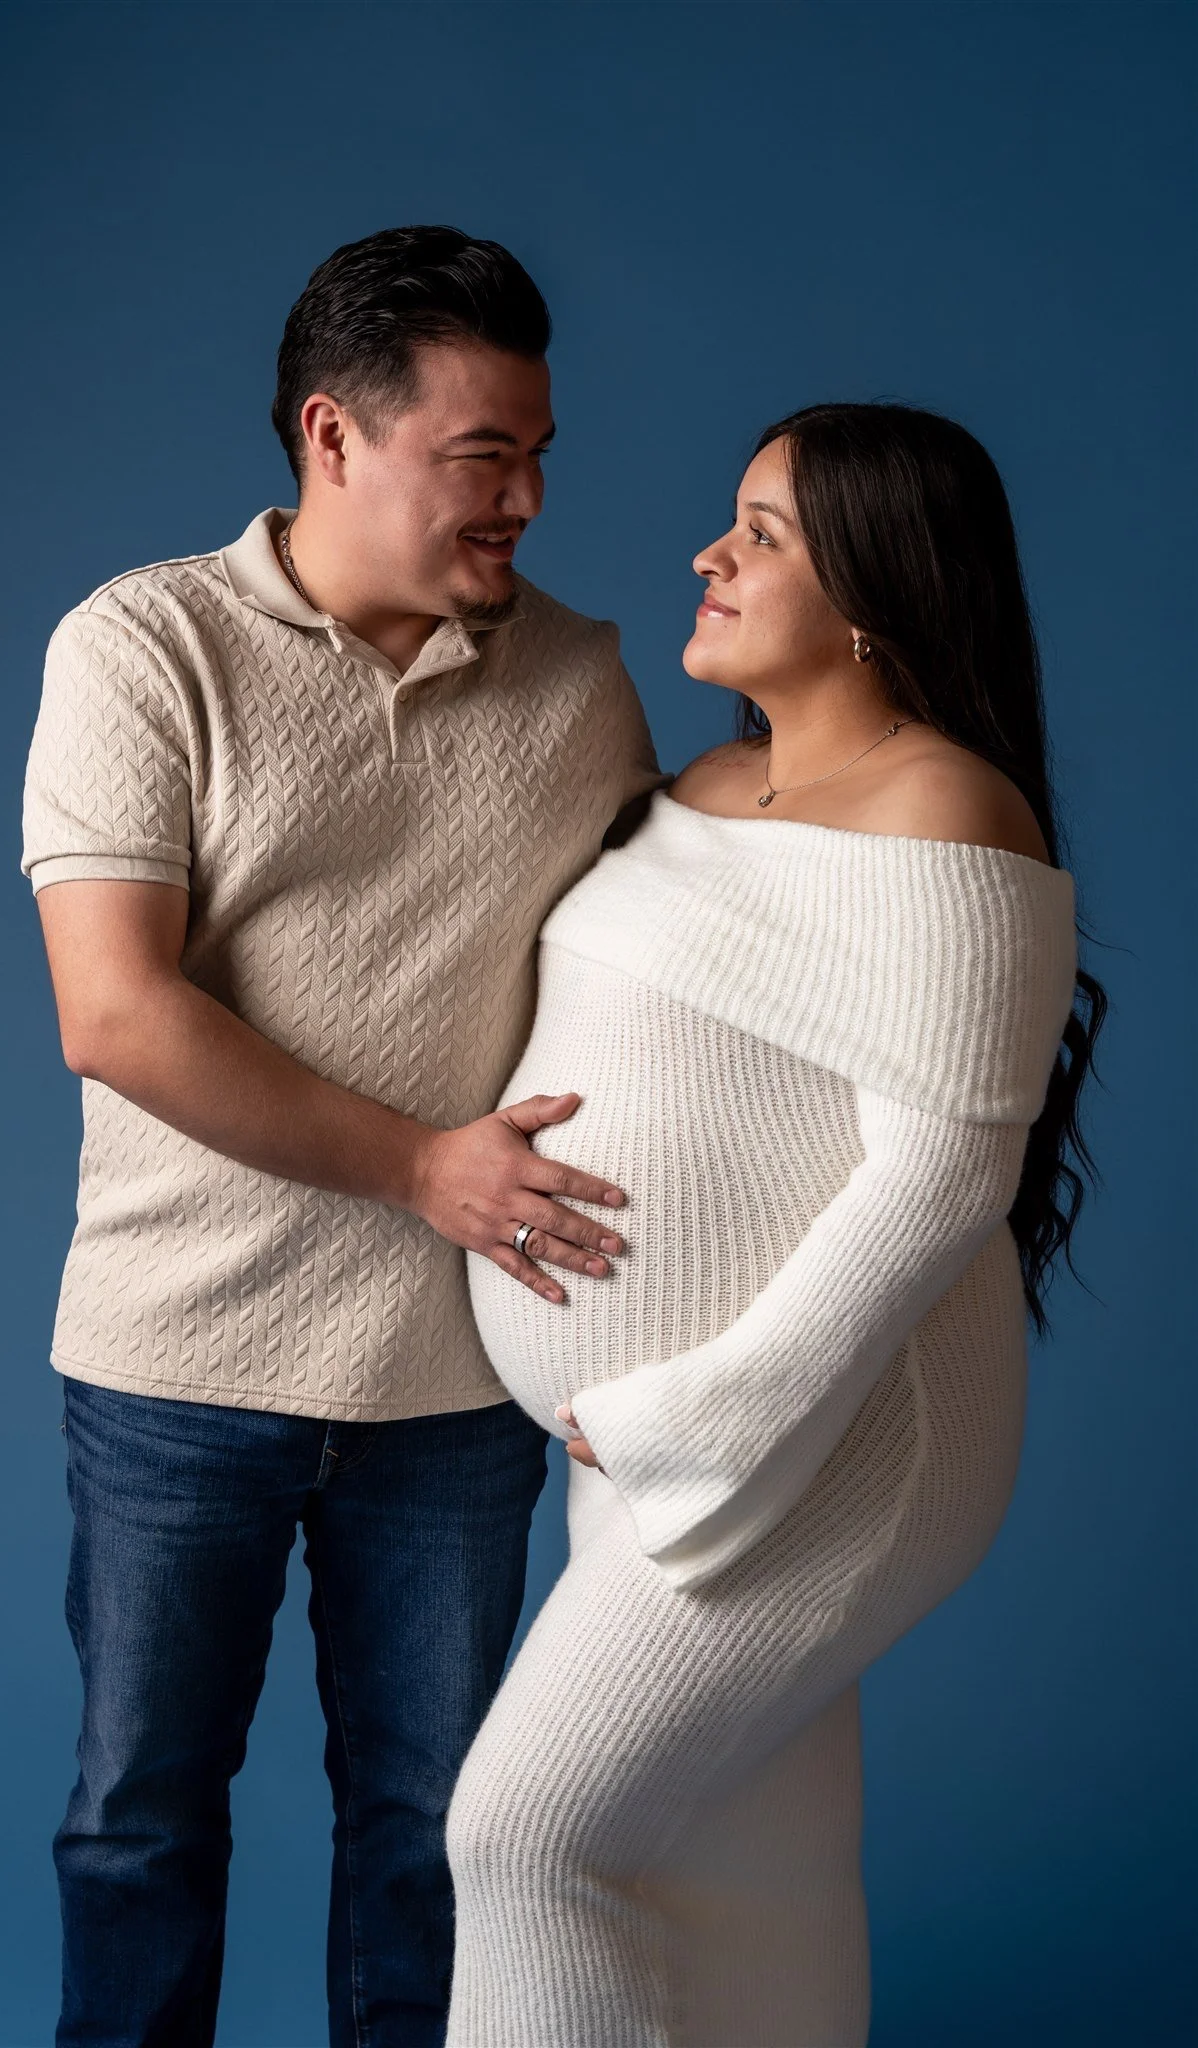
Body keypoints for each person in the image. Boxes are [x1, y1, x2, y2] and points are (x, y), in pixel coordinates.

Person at [21, 224, 662, 2048]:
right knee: (138, 1827)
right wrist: (418, 1166)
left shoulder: (581, 683)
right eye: (484, 455)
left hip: (461, 1382)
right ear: (331, 436)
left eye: (539, 452)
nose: (528, 497)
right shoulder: (146, 645)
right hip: (176, 1359)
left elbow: (673, 981)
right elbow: (116, 1013)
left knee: (441, 1838)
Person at [445, 403, 1106, 2047]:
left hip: (822, 1440)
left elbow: (943, 1177)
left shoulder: (944, 814)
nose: (708, 555)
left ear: (876, 586)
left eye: (764, 533)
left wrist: (684, 1417)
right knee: (738, 1870)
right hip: (662, 1447)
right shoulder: (704, 781)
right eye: (728, 518)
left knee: (529, 1838)